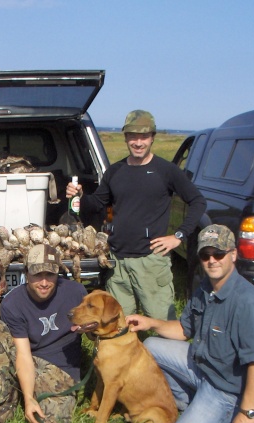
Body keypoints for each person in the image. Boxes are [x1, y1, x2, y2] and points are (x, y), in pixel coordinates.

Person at [126, 225, 254, 423]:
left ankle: (230, 418)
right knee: (151, 345)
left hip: (226, 390)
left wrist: (248, 412)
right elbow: (185, 330)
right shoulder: (205, 288)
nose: (211, 260)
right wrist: (149, 322)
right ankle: (190, 405)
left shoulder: (249, 303)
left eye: (218, 254)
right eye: (205, 255)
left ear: (233, 255)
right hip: (202, 368)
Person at [66, 109, 206, 320]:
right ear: (125, 138)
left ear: (152, 138)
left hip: (151, 262)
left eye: (144, 136)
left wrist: (178, 236)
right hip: (118, 262)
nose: (138, 142)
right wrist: (80, 195)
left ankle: (163, 354)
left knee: (161, 325)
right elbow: (95, 204)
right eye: (133, 136)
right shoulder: (115, 171)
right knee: (118, 324)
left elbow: (198, 201)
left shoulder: (166, 170)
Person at [0, 244, 87, 423]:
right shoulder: (12, 303)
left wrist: (93, 331)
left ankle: (30, 392)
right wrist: (29, 398)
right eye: (37, 275)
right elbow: (23, 354)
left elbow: (95, 333)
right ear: (26, 273)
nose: (44, 282)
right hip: (27, 356)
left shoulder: (77, 293)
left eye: (50, 275)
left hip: (59, 366)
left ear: (57, 274)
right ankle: (4, 404)